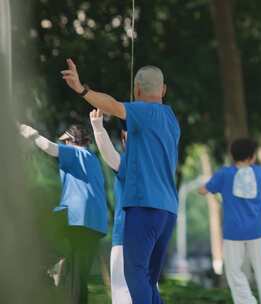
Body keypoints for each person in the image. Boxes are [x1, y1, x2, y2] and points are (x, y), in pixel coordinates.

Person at [61, 59, 180, 304]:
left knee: (135, 274)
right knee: (148, 280)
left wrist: (82, 89)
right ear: (164, 90)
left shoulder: (144, 111)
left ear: (137, 90)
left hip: (144, 207)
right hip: (168, 211)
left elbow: (113, 105)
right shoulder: (171, 119)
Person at [19, 123, 108, 304]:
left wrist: (32, 134)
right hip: (96, 223)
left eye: (65, 142)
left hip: (77, 218)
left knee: (34, 231)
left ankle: (49, 266)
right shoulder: (93, 159)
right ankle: (60, 265)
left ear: (71, 140)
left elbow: (50, 149)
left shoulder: (75, 152)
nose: (64, 145)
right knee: (79, 276)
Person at [198, 138, 261, 304]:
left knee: (234, 270)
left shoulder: (224, 174)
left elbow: (204, 190)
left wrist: (205, 186)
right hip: (258, 229)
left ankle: (247, 301)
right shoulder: (260, 172)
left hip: (234, 231)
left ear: (232, 156)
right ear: (252, 156)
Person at [89, 109, 131, 304]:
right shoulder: (158, 164)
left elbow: (110, 155)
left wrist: (98, 128)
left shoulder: (130, 162)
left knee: (123, 297)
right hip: (150, 241)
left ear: (124, 137)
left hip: (125, 241)